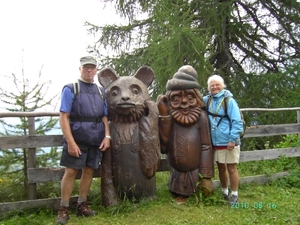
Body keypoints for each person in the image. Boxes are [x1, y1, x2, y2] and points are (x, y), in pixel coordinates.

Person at [56, 56, 111, 225]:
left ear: (96, 70)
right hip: (77, 138)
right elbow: (64, 117)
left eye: (92, 68)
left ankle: (82, 205)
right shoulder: (71, 89)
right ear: (80, 69)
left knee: (88, 171)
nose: (89, 70)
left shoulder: (101, 91)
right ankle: (63, 209)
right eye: (86, 67)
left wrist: (107, 136)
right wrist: (71, 142)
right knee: (71, 171)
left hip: (96, 138)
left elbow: (104, 117)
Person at [157, 65, 214, 202]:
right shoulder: (171, 117)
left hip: (195, 171)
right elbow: (163, 146)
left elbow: (206, 146)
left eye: (189, 97)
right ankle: (177, 191)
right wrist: (164, 116)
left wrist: (206, 176)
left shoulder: (201, 118)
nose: (183, 102)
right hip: (176, 172)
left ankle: (194, 190)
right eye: (176, 99)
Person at [203, 74, 243, 206]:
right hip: (216, 142)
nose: (214, 87)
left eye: (217, 85)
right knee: (221, 168)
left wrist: (232, 140)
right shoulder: (207, 100)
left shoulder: (229, 101)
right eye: (212, 85)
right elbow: (194, 102)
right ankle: (225, 191)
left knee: (231, 168)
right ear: (209, 88)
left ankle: (235, 194)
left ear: (222, 85)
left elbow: (237, 121)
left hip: (229, 141)